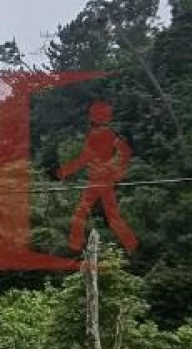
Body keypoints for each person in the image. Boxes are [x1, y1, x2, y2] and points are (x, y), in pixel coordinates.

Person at [57, 101, 138, 252]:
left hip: (101, 181)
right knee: (110, 216)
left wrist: (113, 170)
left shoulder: (105, 134)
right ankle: (131, 243)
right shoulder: (98, 134)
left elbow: (125, 152)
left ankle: (75, 245)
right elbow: (85, 158)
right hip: (98, 180)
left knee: (84, 211)